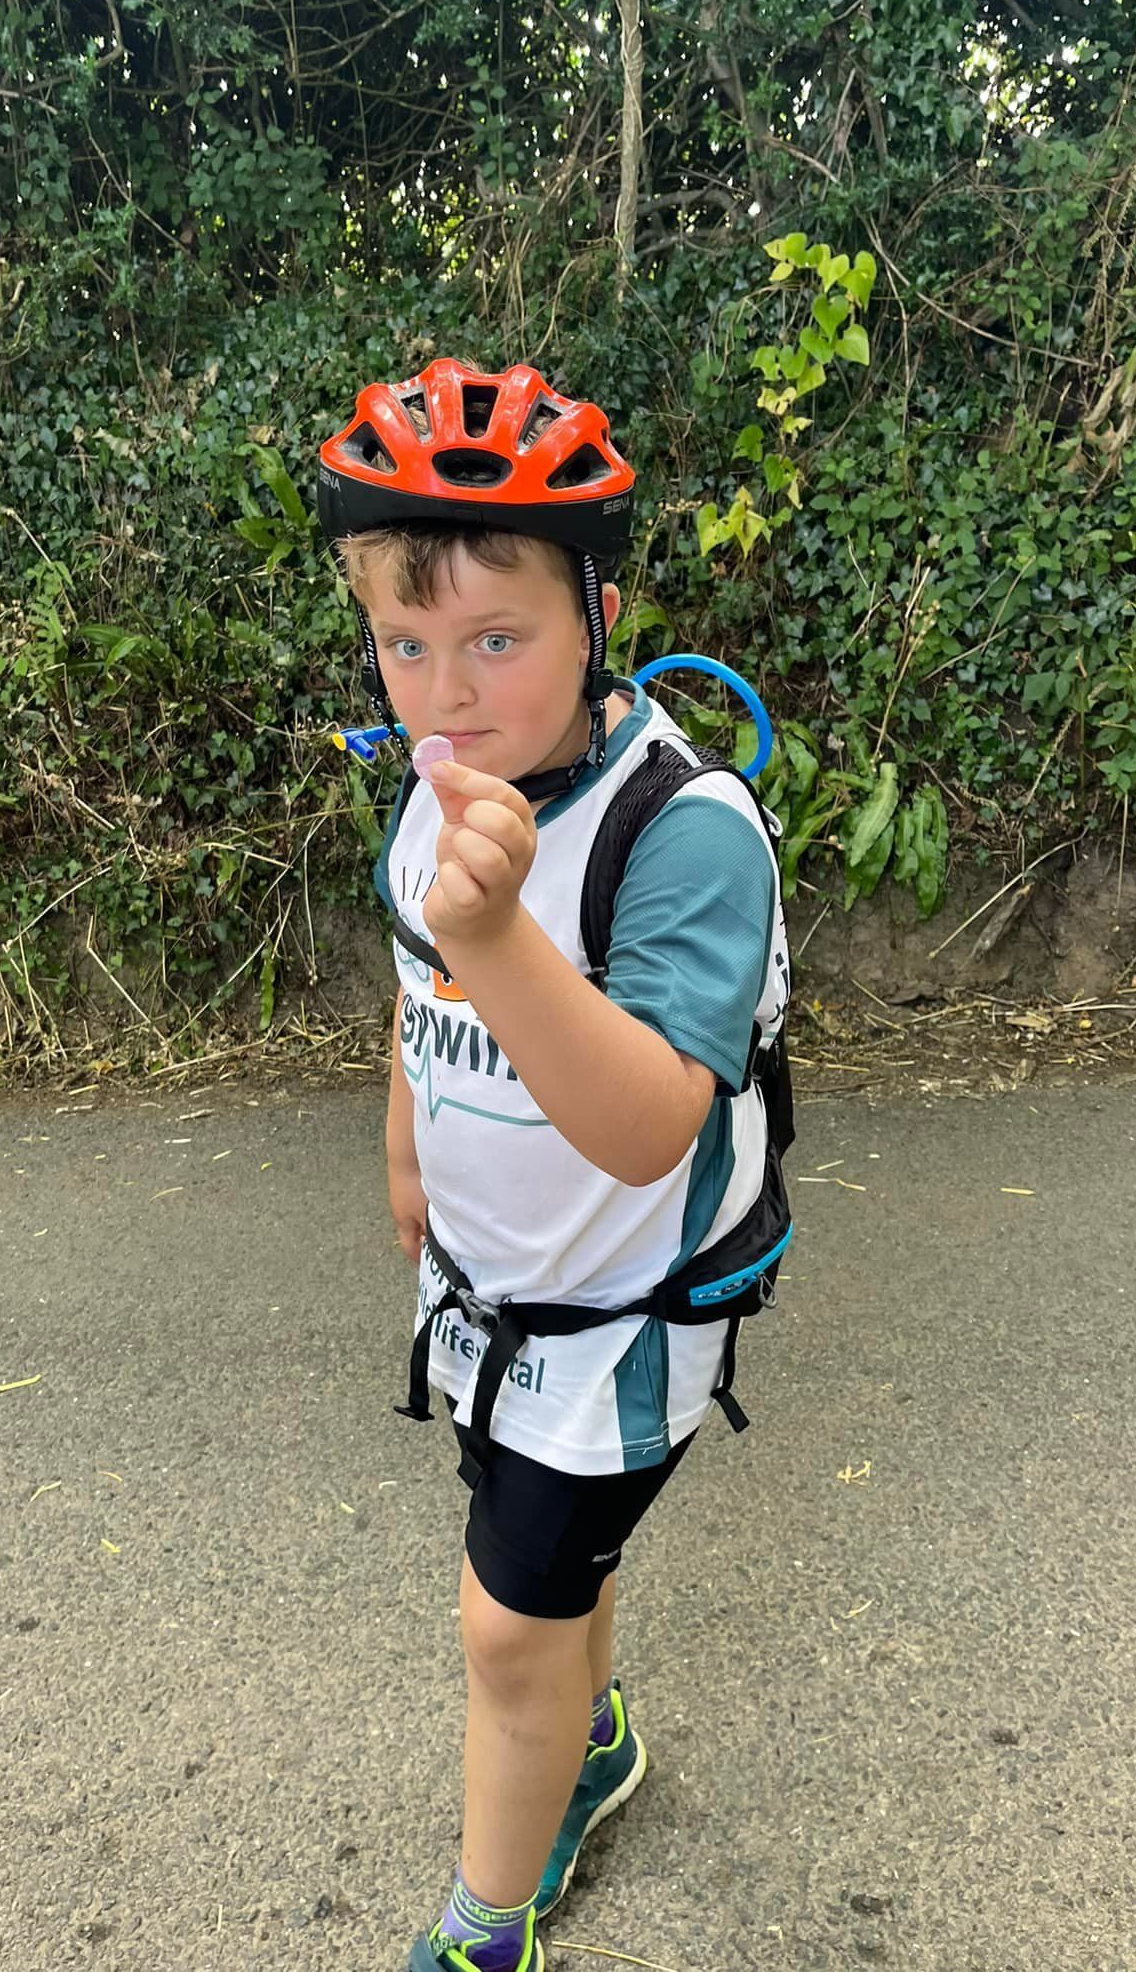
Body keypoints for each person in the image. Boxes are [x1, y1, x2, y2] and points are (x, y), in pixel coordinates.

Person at [316, 357, 792, 1972]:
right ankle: (591, 1746)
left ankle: (483, 1933)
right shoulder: (438, 793)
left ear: (597, 614)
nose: (445, 693)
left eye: (497, 640)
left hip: (622, 1318)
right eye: (406, 644)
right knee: (541, 1572)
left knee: (506, 1629)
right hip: (489, 1293)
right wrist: (407, 1153)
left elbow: (649, 1121)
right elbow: (416, 990)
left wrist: (497, 931)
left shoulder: (685, 833)